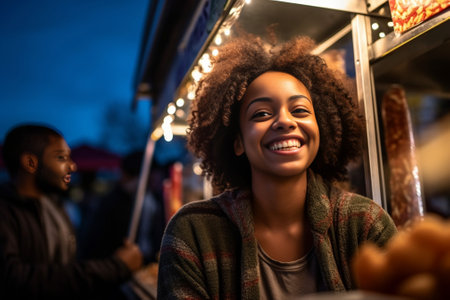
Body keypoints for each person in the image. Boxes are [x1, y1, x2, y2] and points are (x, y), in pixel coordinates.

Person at [157, 35, 398, 299]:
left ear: (321, 129)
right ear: (237, 142)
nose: (285, 121)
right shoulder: (193, 231)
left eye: (300, 110)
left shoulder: (365, 223)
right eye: (261, 114)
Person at [0, 123, 143, 299]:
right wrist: (115, 267)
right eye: (61, 158)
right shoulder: (6, 211)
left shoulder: (55, 206)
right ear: (30, 162)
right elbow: (16, 279)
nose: (73, 166)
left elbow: (68, 267)